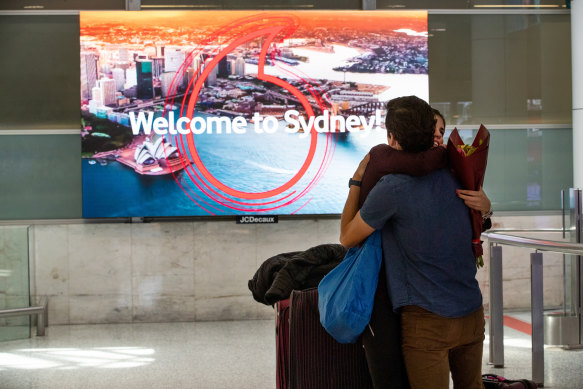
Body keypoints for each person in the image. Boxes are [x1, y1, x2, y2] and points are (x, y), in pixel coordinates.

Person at [340, 96, 486, 389]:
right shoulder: (458, 173)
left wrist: (356, 181)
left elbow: (347, 237)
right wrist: (488, 207)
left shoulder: (392, 187)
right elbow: (477, 216)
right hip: (471, 310)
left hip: (426, 319)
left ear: (392, 137)